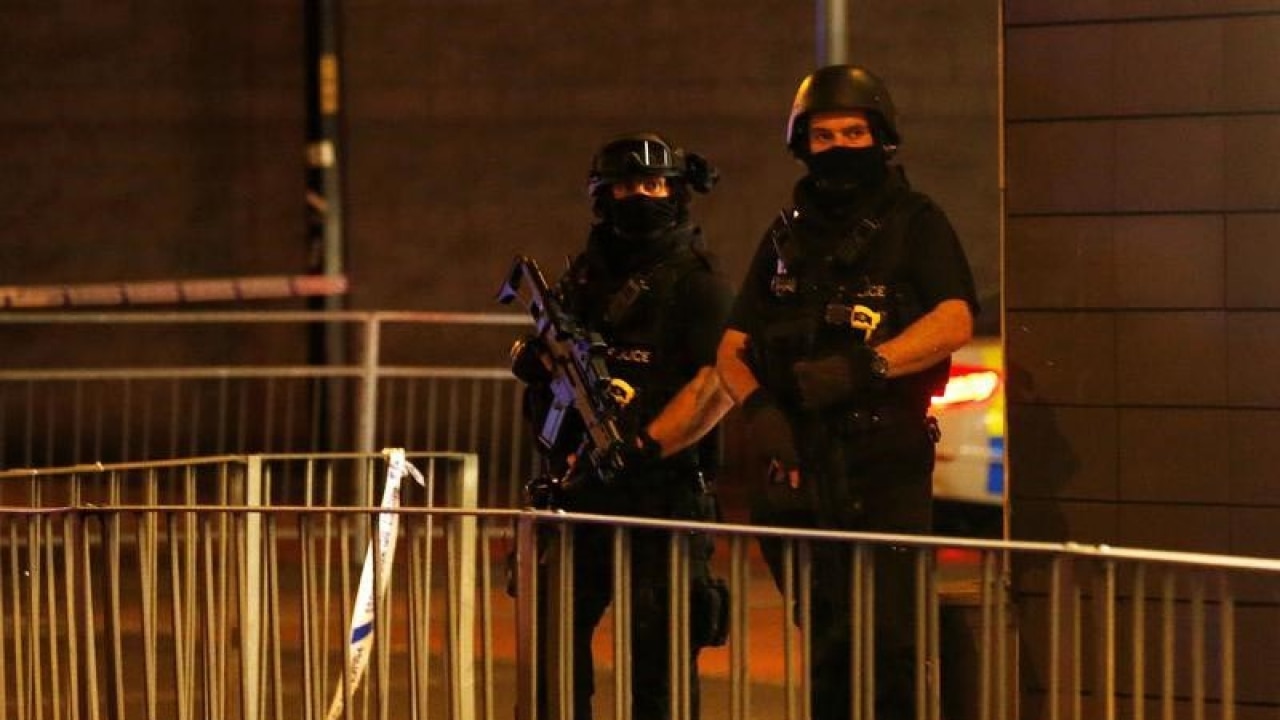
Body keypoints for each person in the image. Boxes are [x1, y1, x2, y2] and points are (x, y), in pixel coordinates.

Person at [715, 65, 979, 720]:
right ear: (801, 143)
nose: (838, 146)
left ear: (882, 138)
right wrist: (759, 410)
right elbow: (730, 349)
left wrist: (868, 368)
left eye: (854, 132)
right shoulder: (784, 238)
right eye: (824, 134)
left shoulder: (916, 222)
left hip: (884, 467)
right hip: (800, 471)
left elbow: (953, 320)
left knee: (891, 649)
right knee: (829, 645)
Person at [510, 132, 735, 720]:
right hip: (575, 489)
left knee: (657, 666)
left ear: (676, 192)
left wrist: (645, 446)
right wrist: (535, 361)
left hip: (662, 494)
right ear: (603, 195)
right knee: (553, 657)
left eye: (654, 184)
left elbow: (718, 384)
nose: (641, 195)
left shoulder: (699, 284)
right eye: (626, 185)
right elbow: (547, 352)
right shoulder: (583, 278)